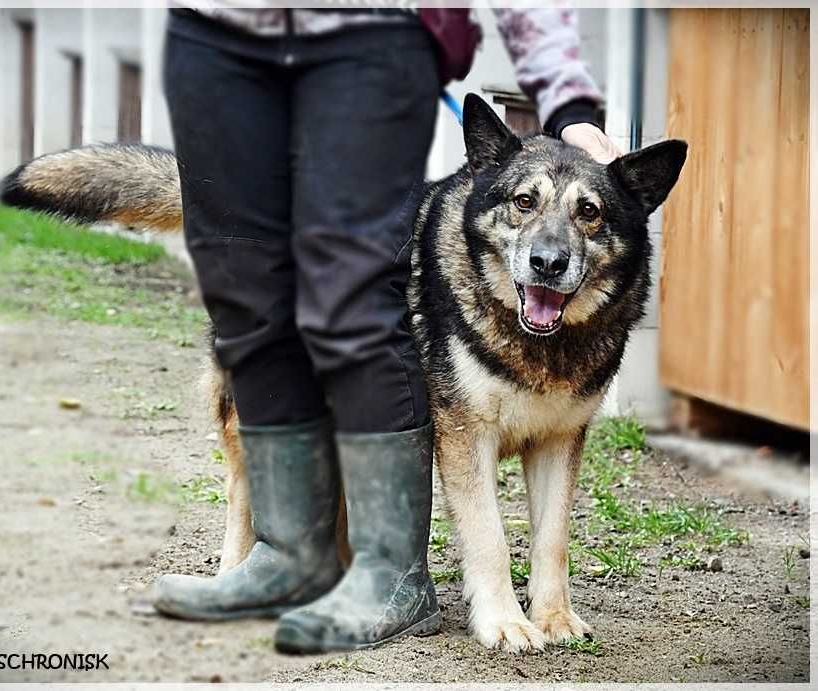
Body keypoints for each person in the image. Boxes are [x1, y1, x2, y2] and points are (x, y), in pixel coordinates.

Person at [153, 5, 621, 652]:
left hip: (372, 31)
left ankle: (392, 576)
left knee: (351, 291)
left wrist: (567, 98)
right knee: (247, 284)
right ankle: (287, 552)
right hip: (215, 32)